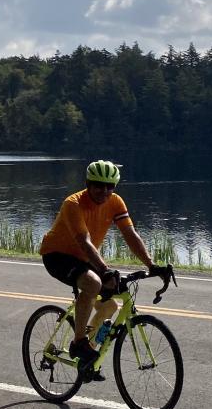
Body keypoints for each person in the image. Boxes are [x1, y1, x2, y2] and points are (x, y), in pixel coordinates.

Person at [39, 159, 161, 381]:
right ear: (88, 183)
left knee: (110, 306)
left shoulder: (115, 202)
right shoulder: (73, 203)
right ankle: (78, 344)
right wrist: (104, 270)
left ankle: (87, 357)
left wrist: (151, 265)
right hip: (57, 256)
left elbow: (130, 235)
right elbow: (84, 240)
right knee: (93, 283)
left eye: (110, 186)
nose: (104, 191)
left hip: (85, 259)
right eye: (98, 185)